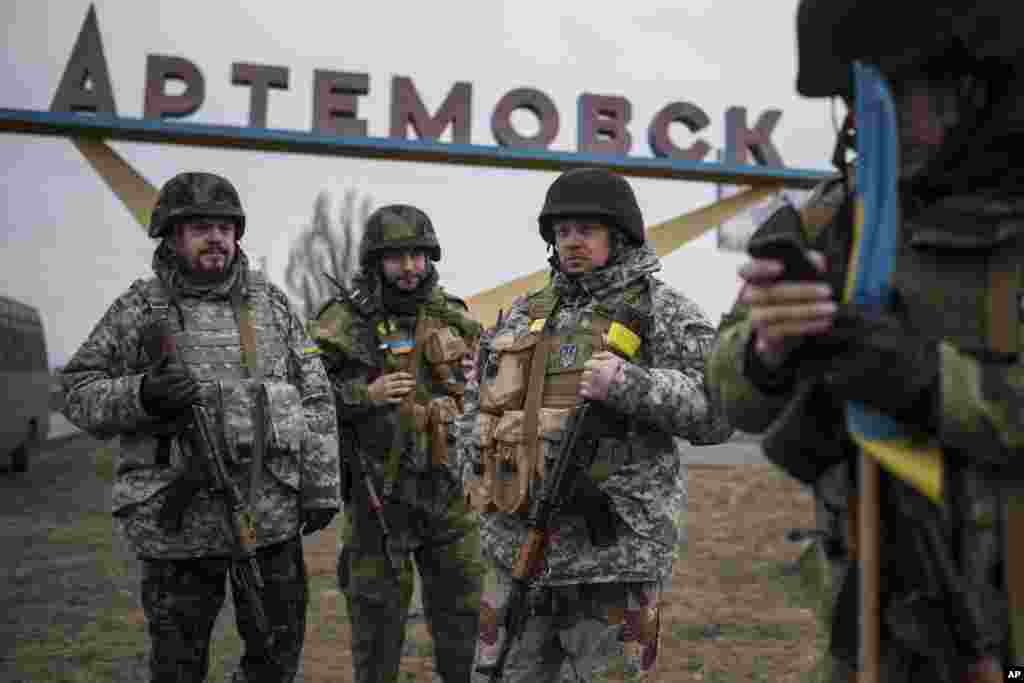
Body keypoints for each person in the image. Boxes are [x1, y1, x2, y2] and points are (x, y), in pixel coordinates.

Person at [708, 2, 1024, 679]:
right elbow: (724, 387)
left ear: (976, 86)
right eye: (862, 91)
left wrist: (929, 381)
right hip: (868, 628)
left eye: (904, 89)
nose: (877, 114)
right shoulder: (832, 217)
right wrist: (770, 349)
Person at [60, 171, 341, 683]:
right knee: (178, 666)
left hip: (269, 518)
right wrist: (142, 394)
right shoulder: (138, 308)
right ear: (171, 237)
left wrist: (321, 487)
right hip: (177, 530)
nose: (216, 238)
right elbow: (75, 392)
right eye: (199, 228)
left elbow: (315, 393)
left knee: (276, 658)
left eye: (224, 227)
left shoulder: (272, 306)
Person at [463, 167, 734, 681]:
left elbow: (719, 412)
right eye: (562, 232)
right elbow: (481, 414)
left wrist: (630, 385)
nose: (572, 243)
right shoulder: (524, 314)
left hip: (612, 560)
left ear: (620, 234)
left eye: (585, 231)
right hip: (517, 550)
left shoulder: (665, 312)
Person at [309, 204, 488, 683]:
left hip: (450, 498)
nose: (409, 267)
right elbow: (301, 399)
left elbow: (488, 392)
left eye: (417, 255)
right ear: (375, 262)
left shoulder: (454, 317)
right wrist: (360, 395)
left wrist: (478, 383)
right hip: (378, 503)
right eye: (395, 257)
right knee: (377, 631)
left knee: (463, 622)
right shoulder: (341, 323)